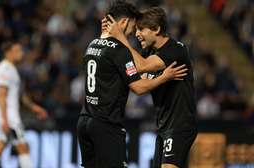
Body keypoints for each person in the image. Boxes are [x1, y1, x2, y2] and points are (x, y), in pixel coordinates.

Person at [76, 1, 188, 168]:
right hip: (107, 125)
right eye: (134, 27)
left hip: (84, 121)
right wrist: (164, 77)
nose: (134, 33)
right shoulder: (120, 50)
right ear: (124, 22)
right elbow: (138, 87)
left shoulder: (92, 44)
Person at [104, 6, 198, 168]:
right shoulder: (149, 53)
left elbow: (142, 66)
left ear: (156, 29)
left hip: (180, 126)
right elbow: (140, 83)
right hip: (163, 127)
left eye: (141, 30)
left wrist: (120, 37)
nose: (137, 34)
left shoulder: (175, 50)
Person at [0, 41, 48, 168]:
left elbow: (21, 96)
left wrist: (35, 108)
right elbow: (1, 96)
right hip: (8, 116)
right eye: (17, 50)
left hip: (5, 116)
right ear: (8, 53)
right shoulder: (5, 69)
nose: (21, 53)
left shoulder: (12, 70)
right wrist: (4, 119)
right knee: (23, 147)